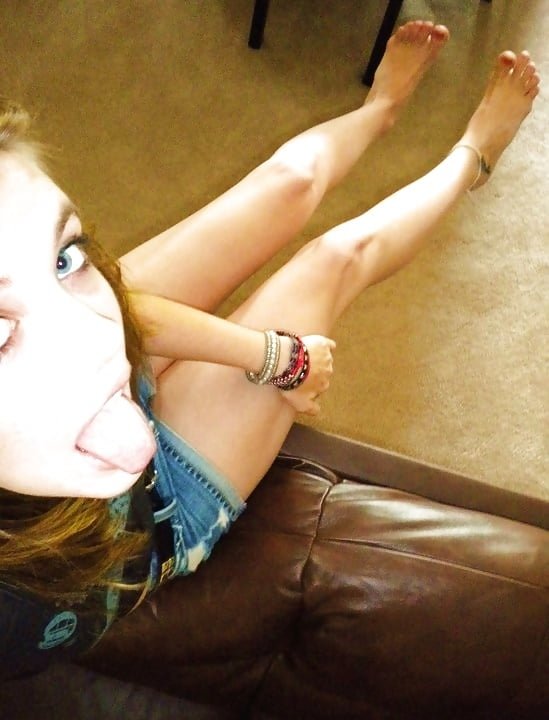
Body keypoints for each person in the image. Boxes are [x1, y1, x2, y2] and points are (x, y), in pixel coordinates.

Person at [0, 20, 540, 680]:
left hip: (80, 428)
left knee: (288, 181)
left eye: (64, 257)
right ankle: (472, 156)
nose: (97, 333)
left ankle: (379, 109)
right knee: (334, 258)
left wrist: (273, 356)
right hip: (163, 509)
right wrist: (277, 357)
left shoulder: (82, 329)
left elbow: (131, 318)